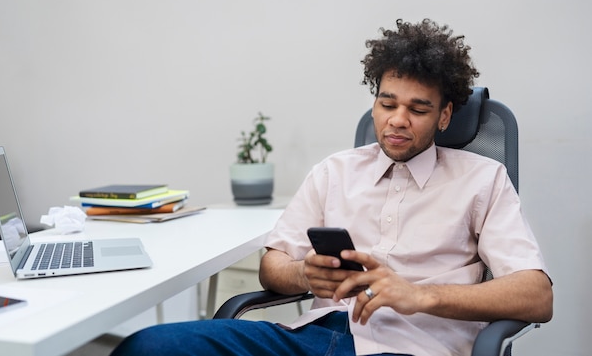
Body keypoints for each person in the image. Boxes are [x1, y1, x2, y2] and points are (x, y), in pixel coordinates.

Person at [110, 19, 553, 356]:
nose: (398, 119)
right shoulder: (334, 172)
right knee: (146, 348)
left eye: (418, 109)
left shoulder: (482, 179)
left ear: (444, 115)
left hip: (414, 347)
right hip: (312, 338)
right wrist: (305, 273)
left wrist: (421, 294)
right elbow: (274, 265)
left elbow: (537, 295)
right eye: (387, 103)